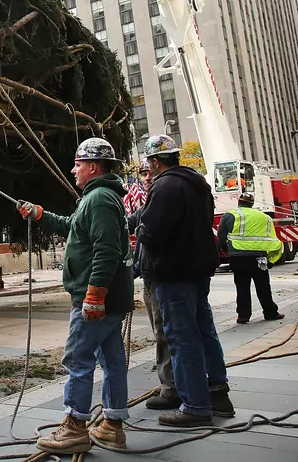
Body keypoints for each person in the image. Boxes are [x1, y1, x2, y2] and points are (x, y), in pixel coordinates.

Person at [17, 137, 134, 453]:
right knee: (112, 360)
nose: (73, 170)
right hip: (111, 299)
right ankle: (112, 424)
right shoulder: (101, 198)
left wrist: (94, 294)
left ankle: (75, 427)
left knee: (78, 358)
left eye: (78, 164)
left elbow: (107, 250)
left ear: (93, 167)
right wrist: (41, 215)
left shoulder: (98, 200)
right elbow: (74, 227)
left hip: (96, 299)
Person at [136, 134, 233, 426]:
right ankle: (218, 395)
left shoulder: (164, 186)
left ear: (155, 162)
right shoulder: (196, 184)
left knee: (182, 338)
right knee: (205, 332)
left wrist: (139, 230)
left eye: (148, 163)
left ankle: (194, 405)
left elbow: (151, 231)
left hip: (173, 272)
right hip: (197, 270)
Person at [130, 159, 178, 410]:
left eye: (149, 173)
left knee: (165, 333)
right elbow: (130, 221)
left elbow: (148, 233)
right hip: (152, 275)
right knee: (164, 332)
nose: (146, 179)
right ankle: (172, 382)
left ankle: (172, 387)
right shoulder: (151, 200)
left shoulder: (161, 196)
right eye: (143, 175)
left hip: (161, 276)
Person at [218, 193, 284, 324]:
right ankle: (270, 312)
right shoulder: (264, 217)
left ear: (239, 202)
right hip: (259, 257)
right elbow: (272, 239)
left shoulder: (230, 215)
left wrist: (227, 251)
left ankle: (243, 316)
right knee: (263, 286)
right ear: (252, 203)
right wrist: (271, 259)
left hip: (238, 257)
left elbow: (221, 236)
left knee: (242, 286)